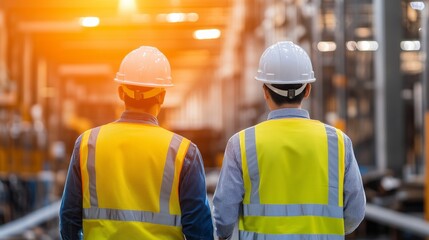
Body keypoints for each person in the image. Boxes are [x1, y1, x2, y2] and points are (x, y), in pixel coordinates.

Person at [212, 41, 366, 240]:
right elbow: (355, 212)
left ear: (265, 91)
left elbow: (223, 219)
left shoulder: (242, 143)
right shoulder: (337, 142)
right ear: (308, 90)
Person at [59, 46, 214, 240]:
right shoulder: (183, 152)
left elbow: (69, 218)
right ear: (162, 96)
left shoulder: (88, 143)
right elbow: (199, 230)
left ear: (121, 93)